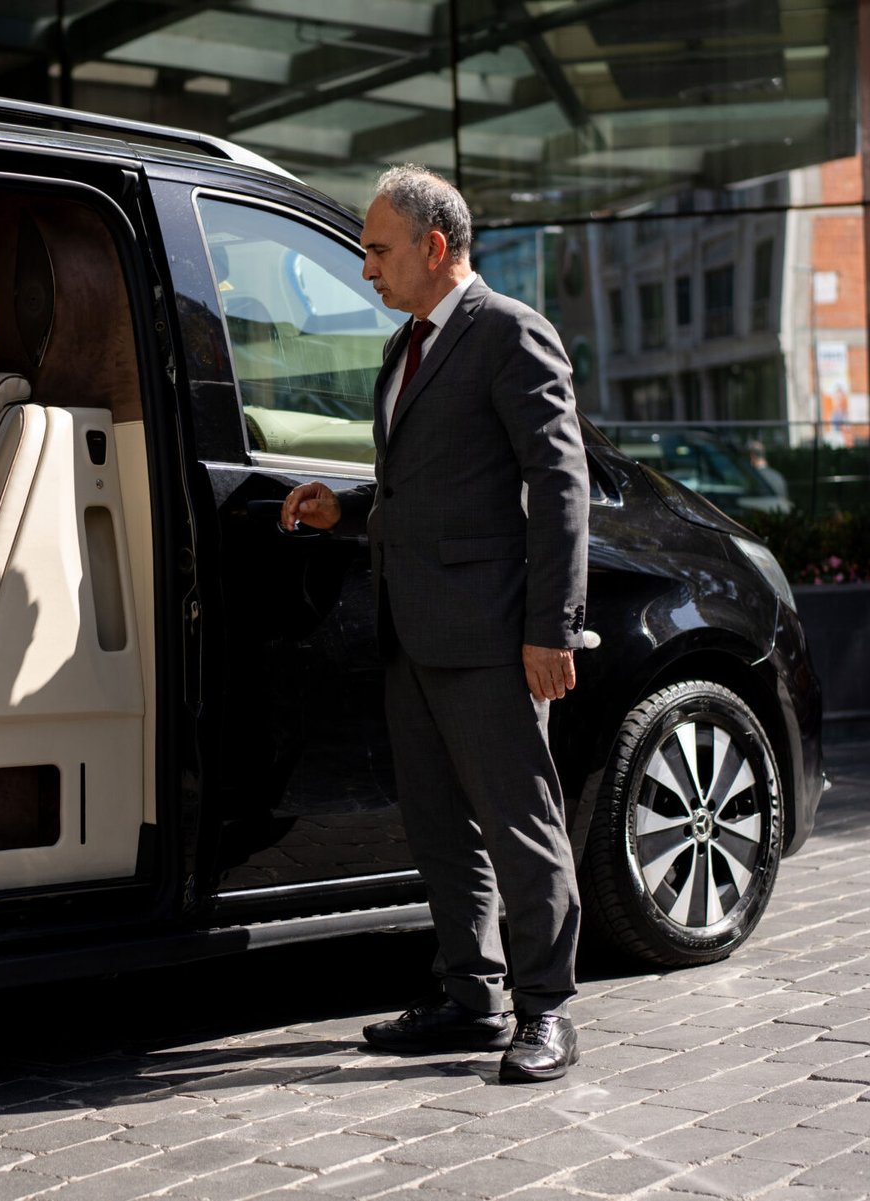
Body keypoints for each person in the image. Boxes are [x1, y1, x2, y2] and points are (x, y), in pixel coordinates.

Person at [281, 165, 589, 1083]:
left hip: (493, 634)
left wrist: (554, 628)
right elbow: (432, 486)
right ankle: (471, 994)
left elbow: (559, 486)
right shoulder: (404, 348)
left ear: (434, 246)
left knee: (520, 823)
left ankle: (547, 1009)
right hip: (410, 629)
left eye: (377, 249)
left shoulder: (510, 334)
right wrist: (348, 509)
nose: (365, 268)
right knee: (439, 827)